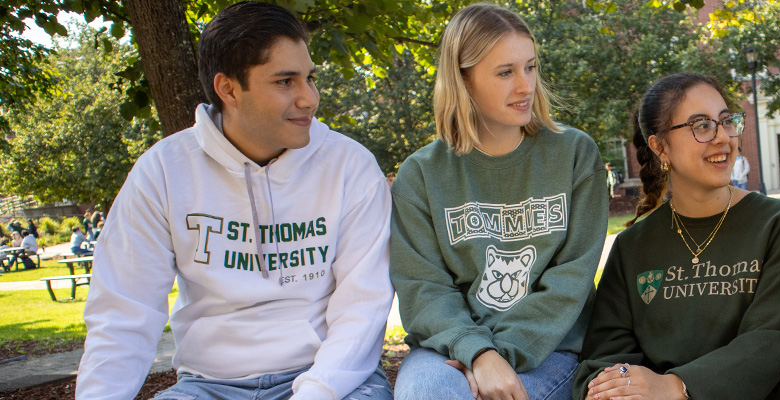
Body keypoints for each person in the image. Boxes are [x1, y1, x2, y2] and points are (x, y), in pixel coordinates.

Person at [76, 2, 394, 399]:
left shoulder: (350, 166)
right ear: (228, 89)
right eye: (285, 82)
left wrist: (316, 391)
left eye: (309, 78)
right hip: (208, 386)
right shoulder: (164, 171)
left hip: (332, 379)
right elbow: (123, 311)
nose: (309, 98)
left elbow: (362, 307)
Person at [389, 4, 608, 400]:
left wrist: (497, 356)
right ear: (463, 80)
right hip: (448, 348)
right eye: (506, 72)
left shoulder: (574, 155)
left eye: (531, 67)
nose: (526, 86)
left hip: (549, 347)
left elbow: (570, 281)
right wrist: (477, 352)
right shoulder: (421, 174)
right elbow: (423, 288)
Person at [574, 72, 780, 400]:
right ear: (660, 147)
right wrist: (615, 387)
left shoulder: (778, 224)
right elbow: (606, 354)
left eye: (726, 121)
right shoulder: (633, 247)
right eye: (701, 126)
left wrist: (676, 386)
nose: (723, 138)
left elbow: (772, 340)